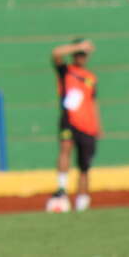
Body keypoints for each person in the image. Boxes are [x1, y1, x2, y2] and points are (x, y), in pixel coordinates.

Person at [46, 39, 100, 213]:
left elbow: (93, 102)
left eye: (83, 55)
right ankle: (62, 188)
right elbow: (55, 53)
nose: (80, 58)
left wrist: (98, 126)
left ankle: (82, 202)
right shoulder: (66, 71)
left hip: (88, 126)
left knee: (84, 166)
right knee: (65, 148)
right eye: (78, 54)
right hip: (69, 120)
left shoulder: (90, 78)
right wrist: (79, 46)